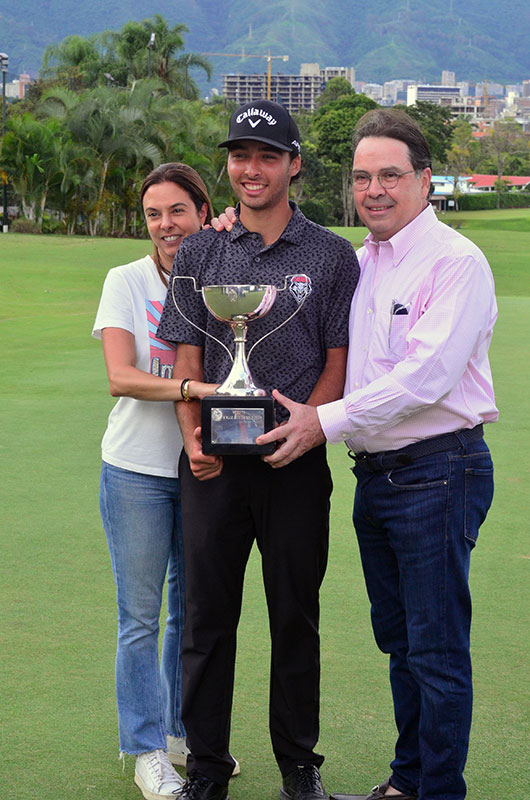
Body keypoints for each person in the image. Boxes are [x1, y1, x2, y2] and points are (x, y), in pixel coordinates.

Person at [254, 108, 498, 800]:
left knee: (437, 650)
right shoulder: (357, 262)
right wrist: (228, 233)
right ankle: (409, 779)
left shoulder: (455, 262)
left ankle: (439, 790)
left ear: (426, 180)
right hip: (378, 477)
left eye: (391, 174)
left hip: (438, 470)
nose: (375, 188)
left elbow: (425, 378)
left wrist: (322, 422)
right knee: (400, 642)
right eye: (362, 176)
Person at [156, 100, 359, 800]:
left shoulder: (331, 254)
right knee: (207, 619)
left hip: (295, 462)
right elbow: (186, 345)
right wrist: (190, 434)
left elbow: (338, 356)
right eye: (240, 155)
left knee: (294, 617)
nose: (250, 169)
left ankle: (299, 769)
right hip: (212, 462)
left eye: (267, 156)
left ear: (293, 165)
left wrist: (312, 421)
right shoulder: (202, 249)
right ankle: (207, 770)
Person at [93, 162, 230, 800]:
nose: (166, 225)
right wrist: (188, 387)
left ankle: (179, 732)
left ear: (203, 211)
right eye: (154, 213)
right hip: (137, 471)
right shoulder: (126, 280)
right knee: (140, 617)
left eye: (179, 210)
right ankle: (146, 748)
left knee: (192, 613)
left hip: (205, 467)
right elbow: (121, 375)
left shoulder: (224, 272)